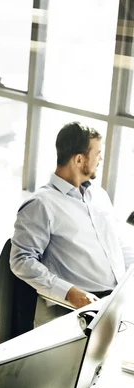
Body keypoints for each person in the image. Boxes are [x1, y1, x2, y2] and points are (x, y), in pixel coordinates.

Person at [11, 122, 134, 326]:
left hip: (114, 301)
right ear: (79, 159)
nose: (100, 159)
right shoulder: (42, 204)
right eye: (97, 153)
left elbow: (116, 241)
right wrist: (69, 293)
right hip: (75, 310)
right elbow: (21, 260)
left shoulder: (99, 195)